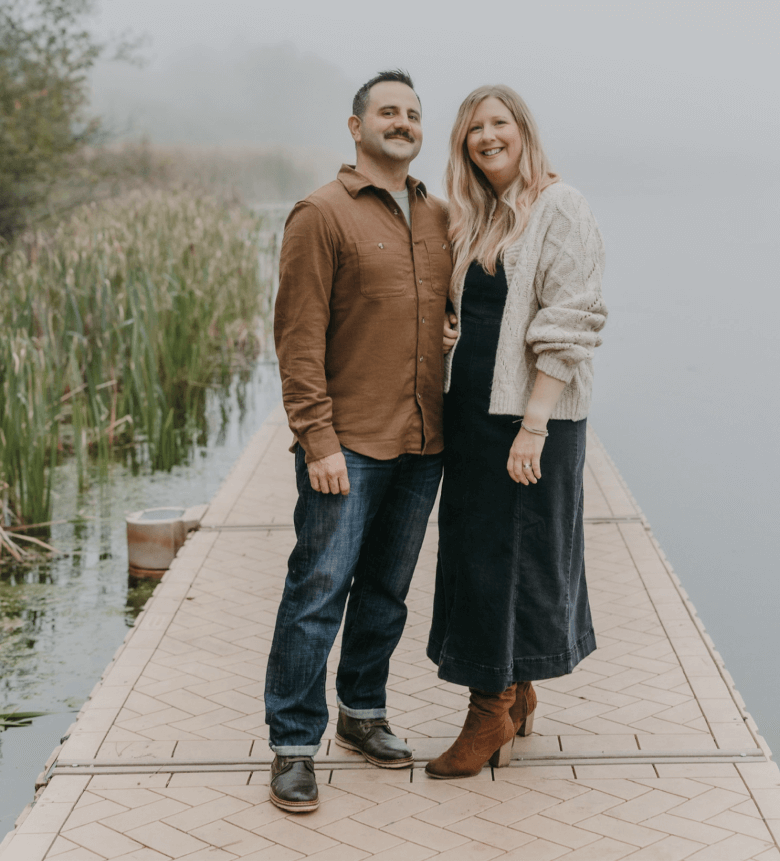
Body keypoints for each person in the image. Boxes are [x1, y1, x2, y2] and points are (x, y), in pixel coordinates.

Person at [264, 70, 451, 811]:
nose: (402, 122)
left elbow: (450, 310)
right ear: (355, 126)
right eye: (387, 112)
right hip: (349, 444)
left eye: (412, 113)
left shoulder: (438, 215)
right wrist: (317, 440)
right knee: (317, 590)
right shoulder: (320, 214)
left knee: (387, 590)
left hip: (423, 441)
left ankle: (362, 711)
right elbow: (297, 342)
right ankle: (292, 741)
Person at [425, 84, 608, 779]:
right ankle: (518, 687)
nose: (486, 136)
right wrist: (452, 330)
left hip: (530, 420)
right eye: (474, 128)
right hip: (473, 414)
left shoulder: (561, 205)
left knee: (509, 558)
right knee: (479, 553)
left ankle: (488, 707)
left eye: (499, 123)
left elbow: (574, 318)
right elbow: (483, 313)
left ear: (524, 132)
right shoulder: (482, 215)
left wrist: (533, 424)